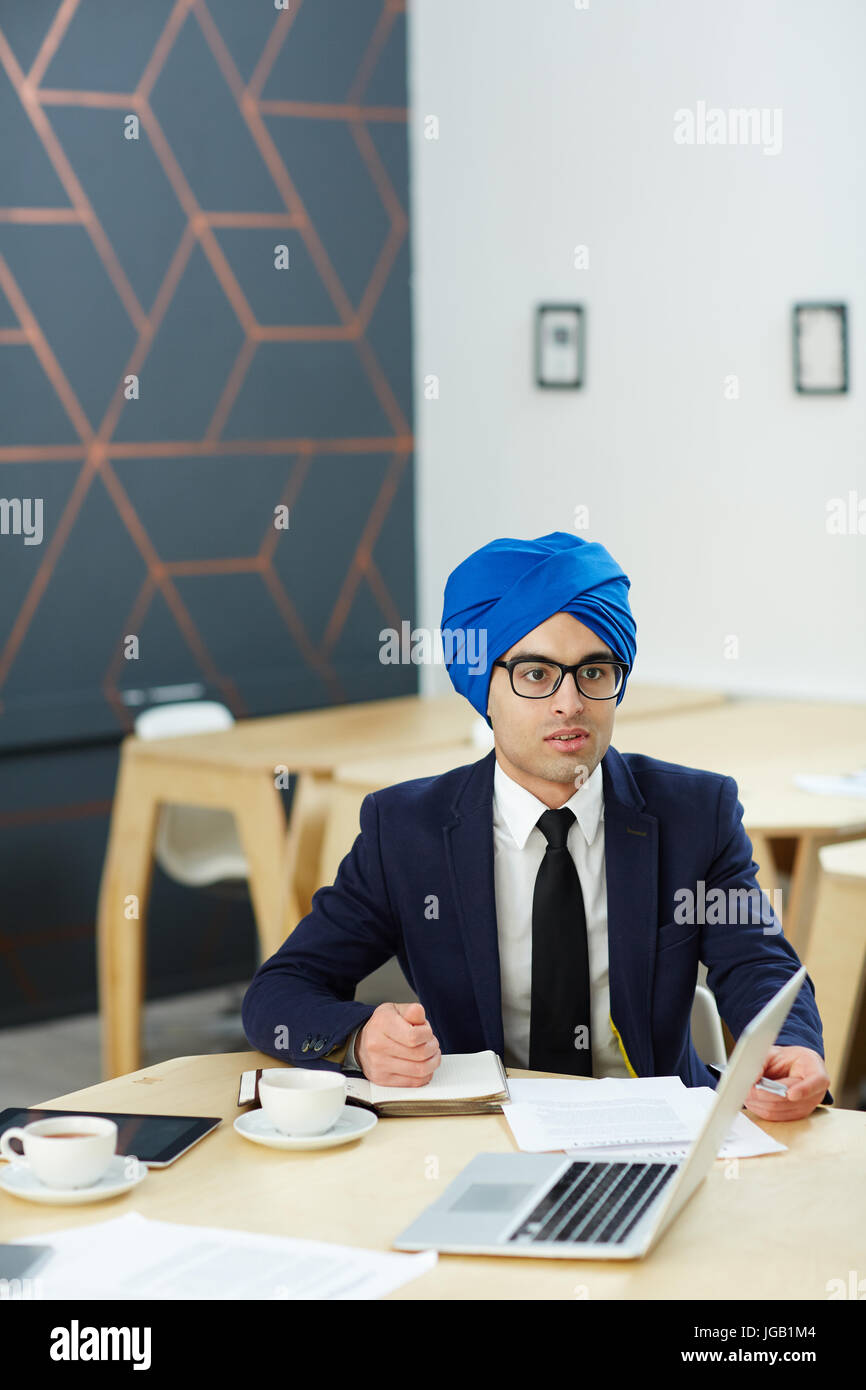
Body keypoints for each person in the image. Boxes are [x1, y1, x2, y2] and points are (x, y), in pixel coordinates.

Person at [242, 532, 832, 1120]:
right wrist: (359, 1037)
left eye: (594, 672)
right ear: (485, 690)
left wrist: (790, 1044)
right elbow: (280, 992)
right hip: (477, 1133)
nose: (569, 703)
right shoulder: (406, 831)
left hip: (661, 1132)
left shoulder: (694, 813)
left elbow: (759, 963)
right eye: (535, 673)